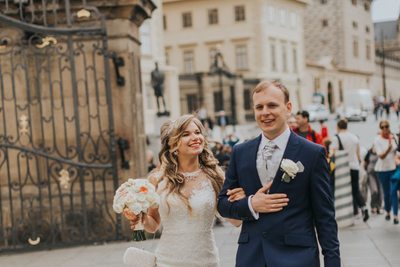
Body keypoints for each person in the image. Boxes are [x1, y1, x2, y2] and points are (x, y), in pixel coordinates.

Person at [217, 80, 340, 267]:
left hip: (297, 258)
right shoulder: (240, 152)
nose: (265, 112)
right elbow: (223, 204)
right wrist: (251, 204)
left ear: (288, 107)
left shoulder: (312, 154)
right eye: (259, 107)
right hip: (252, 257)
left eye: (272, 105)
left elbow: (325, 218)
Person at [123, 114, 245, 266]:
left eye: (198, 132)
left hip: (205, 260)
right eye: (186, 134)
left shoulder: (215, 176)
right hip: (167, 261)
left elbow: (235, 221)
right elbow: (153, 225)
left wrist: (241, 201)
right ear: (173, 144)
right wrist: (139, 217)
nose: (195, 137)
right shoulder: (157, 179)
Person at [331, 119, 369, 222]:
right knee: (355, 190)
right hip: (354, 166)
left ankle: (344, 213)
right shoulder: (354, 137)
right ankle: (364, 208)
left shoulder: (336, 138)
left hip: (342, 169)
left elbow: (332, 153)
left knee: (341, 191)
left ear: (338, 127)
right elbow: (358, 155)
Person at [373, 120, 398, 223]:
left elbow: (398, 150)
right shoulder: (377, 140)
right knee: (387, 193)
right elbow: (381, 156)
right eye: (382, 127)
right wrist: (388, 149)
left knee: (393, 192)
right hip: (382, 170)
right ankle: (388, 211)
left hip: (393, 169)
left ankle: (396, 215)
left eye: (386, 126)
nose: (385, 129)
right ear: (380, 128)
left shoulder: (393, 138)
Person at [364, 146, 382, 214]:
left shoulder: (380, 151)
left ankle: (379, 207)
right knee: (374, 190)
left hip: (379, 173)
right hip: (371, 173)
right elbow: (365, 162)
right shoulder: (369, 152)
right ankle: (373, 206)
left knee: (380, 191)